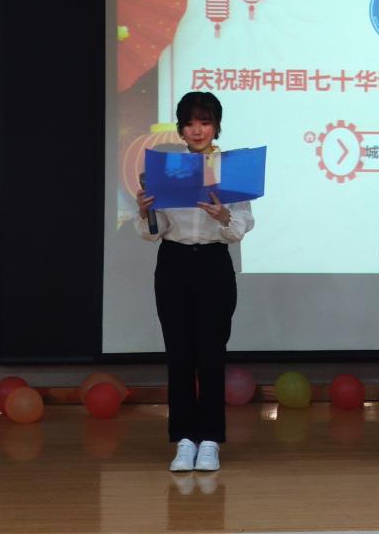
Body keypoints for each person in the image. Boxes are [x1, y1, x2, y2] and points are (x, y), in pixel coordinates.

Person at [136, 91, 254, 472]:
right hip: (174, 263)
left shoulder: (231, 169)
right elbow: (154, 232)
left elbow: (241, 227)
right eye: (190, 123)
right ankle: (184, 440)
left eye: (205, 122)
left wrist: (223, 216)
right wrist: (146, 211)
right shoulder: (168, 169)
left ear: (217, 127)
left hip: (214, 264)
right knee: (179, 356)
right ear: (180, 129)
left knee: (211, 355)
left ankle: (211, 441)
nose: (197, 130)